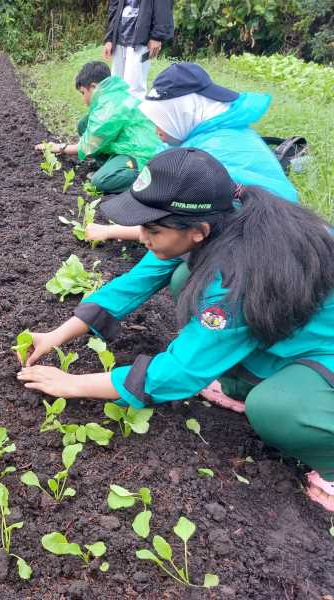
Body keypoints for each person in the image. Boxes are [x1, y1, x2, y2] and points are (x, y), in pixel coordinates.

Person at [17, 148, 334, 513]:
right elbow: (134, 283)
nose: (142, 237)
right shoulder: (224, 217)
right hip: (293, 326)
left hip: (322, 350)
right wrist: (57, 334)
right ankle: (243, 382)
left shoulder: (238, 278)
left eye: (152, 229)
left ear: (198, 231)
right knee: (187, 277)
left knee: (277, 410)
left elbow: (177, 373)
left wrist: (73, 384)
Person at [87, 63, 299, 243]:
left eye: (162, 120)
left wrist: (110, 231)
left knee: (183, 273)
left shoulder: (209, 154)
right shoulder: (204, 132)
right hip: (264, 230)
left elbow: (183, 228)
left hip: (267, 239)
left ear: (181, 114)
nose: (156, 130)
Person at [35, 61, 160, 194]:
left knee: (101, 181)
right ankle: (108, 166)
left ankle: (150, 180)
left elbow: (91, 143)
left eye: (83, 93)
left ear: (93, 87)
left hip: (140, 155)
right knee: (84, 123)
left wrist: (61, 147)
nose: (84, 100)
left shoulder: (110, 106)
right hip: (128, 145)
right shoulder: (113, 96)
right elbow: (93, 133)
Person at [102, 0, 174, 99]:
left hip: (142, 39)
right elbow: (114, 6)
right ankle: (118, 114)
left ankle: (133, 114)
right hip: (119, 38)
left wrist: (157, 36)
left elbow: (163, 5)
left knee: (134, 89)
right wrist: (109, 38)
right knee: (116, 86)